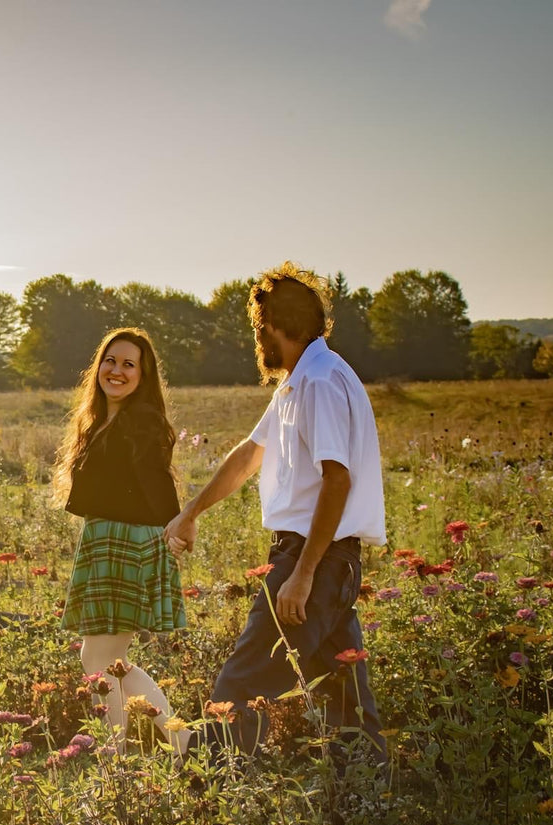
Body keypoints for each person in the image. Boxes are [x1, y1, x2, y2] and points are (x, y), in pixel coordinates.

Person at [164, 262, 386, 758]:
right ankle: (369, 810)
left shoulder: (321, 383)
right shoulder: (297, 382)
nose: (256, 341)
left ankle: (204, 792)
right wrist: (191, 511)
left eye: (258, 329)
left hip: (315, 561)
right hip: (325, 561)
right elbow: (247, 454)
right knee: (345, 699)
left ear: (273, 327)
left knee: (243, 685)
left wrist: (304, 573)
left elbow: (337, 478)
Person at [54, 327, 189, 753]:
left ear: (142, 376)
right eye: (111, 361)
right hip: (105, 542)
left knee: (96, 662)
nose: (117, 370)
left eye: (129, 364)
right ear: (99, 367)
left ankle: (115, 755)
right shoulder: (99, 420)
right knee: (111, 662)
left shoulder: (142, 421)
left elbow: (159, 487)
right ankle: (183, 740)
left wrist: (178, 529)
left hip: (130, 548)